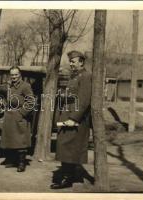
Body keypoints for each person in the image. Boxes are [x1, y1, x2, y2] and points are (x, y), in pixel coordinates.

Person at [50, 50, 92, 189]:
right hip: (67, 116)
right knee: (64, 146)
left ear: (81, 62)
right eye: (70, 62)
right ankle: (67, 175)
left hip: (75, 119)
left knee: (69, 147)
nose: (71, 64)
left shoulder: (85, 76)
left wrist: (74, 118)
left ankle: (67, 179)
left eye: (73, 61)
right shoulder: (75, 76)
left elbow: (84, 100)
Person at [0, 66, 34, 172]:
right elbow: (9, 99)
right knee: (11, 139)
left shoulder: (25, 86)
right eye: (12, 75)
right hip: (10, 116)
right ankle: (12, 160)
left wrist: (21, 113)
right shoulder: (10, 86)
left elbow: (31, 102)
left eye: (16, 74)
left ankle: (21, 163)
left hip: (19, 117)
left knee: (20, 141)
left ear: (20, 75)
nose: (14, 77)